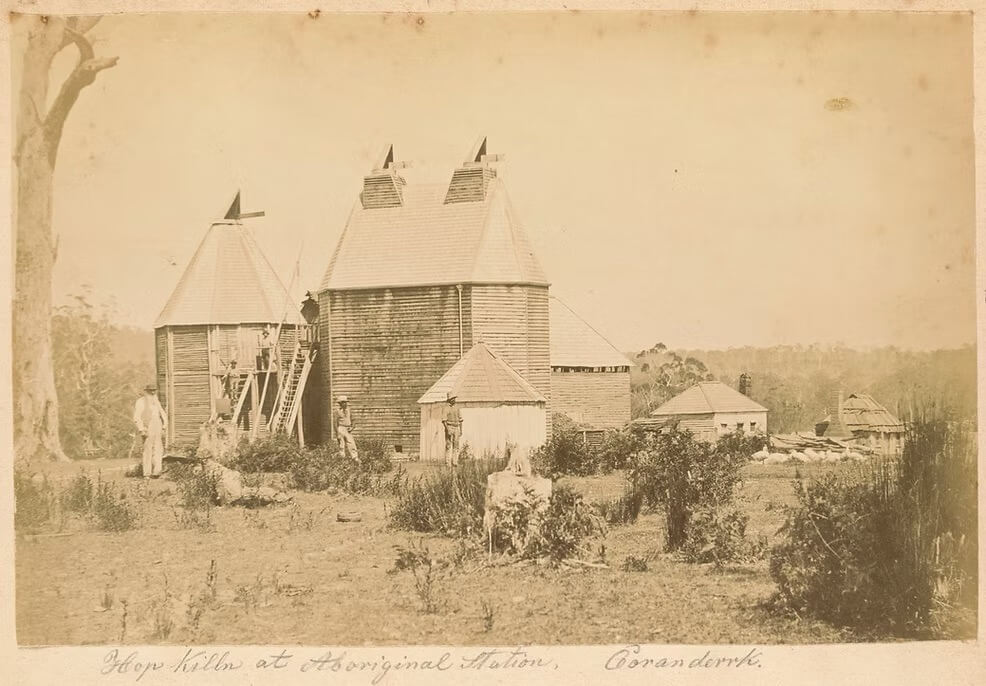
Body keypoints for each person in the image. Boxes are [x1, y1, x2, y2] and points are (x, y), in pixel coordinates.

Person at [133, 383, 167, 478]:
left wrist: (164, 426)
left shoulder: (156, 401)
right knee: (147, 449)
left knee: (158, 448)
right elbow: (137, 416)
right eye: (150, 391)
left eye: (154, 390)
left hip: (157, 425)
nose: (152, 392)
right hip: (148, 426)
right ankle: (147, 473)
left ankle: (157, 471)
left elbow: (162, 413)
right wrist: (141, 428)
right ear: (146, 392)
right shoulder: (141, 401)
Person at [334, 396, 359, 462]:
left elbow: (353, 420)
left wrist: (352, 427)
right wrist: (337, 434)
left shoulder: (349, 410)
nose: (345, 404)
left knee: (351, 444)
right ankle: (342, 460)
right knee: (341, 445)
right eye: (343, 403)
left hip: (347, 428)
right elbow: (335, 423)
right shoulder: (337, 411)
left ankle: (355, 459)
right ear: (340, 403)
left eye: (345, 402)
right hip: (341, 428)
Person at [442, 392, 463, 466]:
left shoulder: (457, 408)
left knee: (456, 445)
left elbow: (460, 420)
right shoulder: (446, 408)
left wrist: (461, 430)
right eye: (452, 398)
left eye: (454, 398)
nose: (454, 399)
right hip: (449, 426)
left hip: (456, 426)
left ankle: (455, 462)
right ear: (449, 400)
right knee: (448, 445)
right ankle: (448, 463)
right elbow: (444, 421)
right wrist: (448, 430)